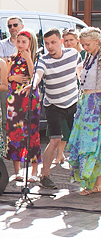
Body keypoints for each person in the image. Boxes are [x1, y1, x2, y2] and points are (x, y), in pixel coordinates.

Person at [33, 29, 82, 189]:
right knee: (54, 139)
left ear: (61, 42)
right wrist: (33, 84)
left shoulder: (73, 55)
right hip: (53, 105)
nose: (50, 46)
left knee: (80, 139)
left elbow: (81, 75)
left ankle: (86, 176)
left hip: (73, 102)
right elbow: (38, 75)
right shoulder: (43, 60)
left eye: (53, 42)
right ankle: (44, 176)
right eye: (47, 43)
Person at [67, 27, 101, 195]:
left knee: (94, 145)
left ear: (97, 42)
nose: (85, 47)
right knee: (85, 143)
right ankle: (91, 183)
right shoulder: (89, 57)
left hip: (96, 104)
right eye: (83, 44)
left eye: (87, 44)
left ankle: (95, 184)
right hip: (86, 103)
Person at [5, 29, 41, 181]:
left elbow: (35, 76)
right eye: (18, 41)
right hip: (14, 99)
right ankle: (17, 170)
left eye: (23, 42)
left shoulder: (37, 58)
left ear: (30, 43)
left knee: (32, 133)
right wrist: (13, 77)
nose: (20, 44)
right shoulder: (12, 58)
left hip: (30, 98)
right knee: (14, 133)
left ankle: (34, 171)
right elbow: (5, 78)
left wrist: (28, 59)